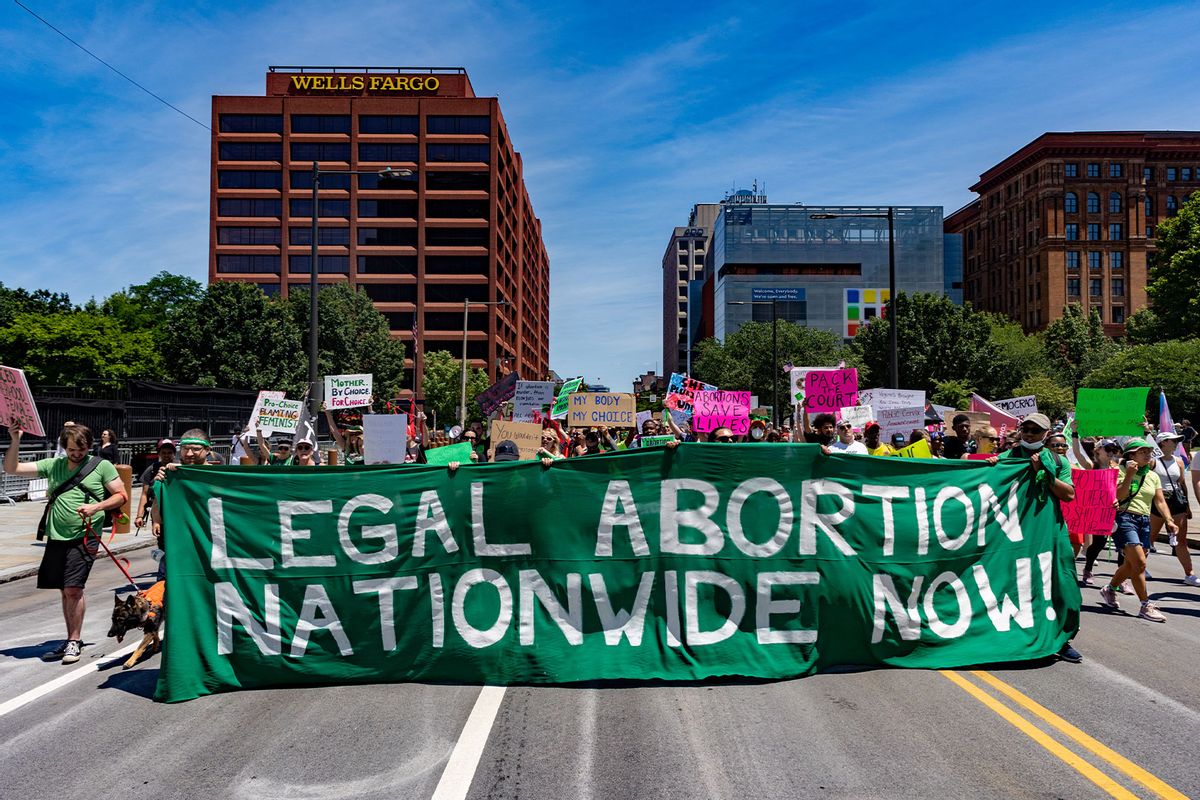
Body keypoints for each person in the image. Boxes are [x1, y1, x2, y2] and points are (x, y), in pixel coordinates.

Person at [5, 423, 126, 665]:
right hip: (57, 535)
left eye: (80, 450)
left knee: (73, 588)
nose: (76, 454)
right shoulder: (55, 465)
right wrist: (16, 439)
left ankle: (74, 639)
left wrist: (96, 507)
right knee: (64, 589)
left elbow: (120, 495)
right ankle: (71, 637)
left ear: (88, 446)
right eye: (71, 450)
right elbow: (12, 468)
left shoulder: (100, 465)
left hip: (85, 535)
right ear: (64, 447)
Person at [1003, 414, 1080, 660]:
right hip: (1014, 533)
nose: (1029, 434)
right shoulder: (1009, 457)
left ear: (1045, 434)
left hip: (1048, 531)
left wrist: (1045, 474)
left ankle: (1062, 638)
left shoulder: (1057, 460)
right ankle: (1012, 635)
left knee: (1061, 582)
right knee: (1015, 583)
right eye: (1025, 429)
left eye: (1035, 431)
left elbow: (1068, 495)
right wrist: (992, 464)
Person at [1098, 439, 1178, 622]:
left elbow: (1159, 501)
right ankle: (1145, 605)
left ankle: (1109, 589)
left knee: (1130, 565)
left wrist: (1169, 521)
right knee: (1140, 563)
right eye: (1143, 451)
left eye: (1149, 451)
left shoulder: (1152, 475)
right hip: (1124, 519)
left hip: (1144, 521)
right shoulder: (1119, 471)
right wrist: (1129, 475)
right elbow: (1118, 496)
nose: (1148, 454)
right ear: (1131, 456)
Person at [150, 429, 213, 581]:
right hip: (178, 545)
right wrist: (161, 483)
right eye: (185, 449)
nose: (190, 454)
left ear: (207, 450)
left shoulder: (217, 475)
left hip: (209, 545)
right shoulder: (172, 474)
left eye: (196, 449)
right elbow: (158, 503)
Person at [1151, 432, 1197, 586]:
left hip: (1177, 502)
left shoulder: (1179, 461)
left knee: (1181, 540)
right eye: (1173, 440)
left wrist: (1188, 506)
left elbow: (1182, 483)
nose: (1177, 443)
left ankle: (1189, 574)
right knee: (1148, 539)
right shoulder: (1153, 462)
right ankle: (1137, 567)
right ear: (1163, 443)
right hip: (1158, 500)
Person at [1075, 436, 1121, 586]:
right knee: (1098, 543)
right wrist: (1075, 434)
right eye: (1107, 449)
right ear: (1098, 450)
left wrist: (1145, 432)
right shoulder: (1092, 466)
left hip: (1114, 509)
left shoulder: (1117, 468)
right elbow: (1077, 453)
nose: (1111, 452)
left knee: (1119, 544)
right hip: (1096, 511)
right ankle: (1088, 569)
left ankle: (1122, 578)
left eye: (1114, 450)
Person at [134, 439, 176, 531]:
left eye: (169, 452)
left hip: (176, 513)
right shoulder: (152, 469)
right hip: (158, 513)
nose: (166, 455)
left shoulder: (180, 468)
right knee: (161, 541)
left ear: (174, 454)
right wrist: (139, 516)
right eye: (163, 452)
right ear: (159, 454)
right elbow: (144, 494)